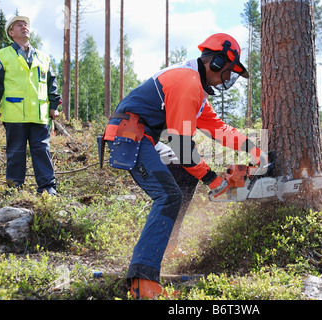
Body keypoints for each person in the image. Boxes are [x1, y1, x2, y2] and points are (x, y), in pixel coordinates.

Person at [101, 33, 266, 299]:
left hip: (146, 136)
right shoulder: (187, 83)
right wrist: (212, 178)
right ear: (214, 63)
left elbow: (217, 128)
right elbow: (180, 143)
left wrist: (253, 149)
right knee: (168, 195)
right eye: (226, 73)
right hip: (129, 135)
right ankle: (143, 280)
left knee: (183, 178)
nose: (226, 79)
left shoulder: (196, 88)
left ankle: (166, 246)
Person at [0, 15, 62, 195]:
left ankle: (47, 189)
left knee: (42, 150)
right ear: (11, 32)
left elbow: (52, 83)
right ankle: (15, 190)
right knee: (15, 152)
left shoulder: (43, 57)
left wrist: (54, 105)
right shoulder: (1, 55)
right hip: (15, 114)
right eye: (19, 25)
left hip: (40, 115)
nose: (24, 27)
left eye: (26, 25)